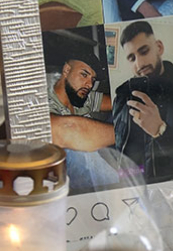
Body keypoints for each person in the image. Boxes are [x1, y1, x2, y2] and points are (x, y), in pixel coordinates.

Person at [111, 21, 173, 181]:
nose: (140, 63)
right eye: (132, 58)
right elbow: (117, 153)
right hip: (134, 193)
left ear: (159, 47)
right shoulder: (123, 96)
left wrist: (160, 130)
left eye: (144, 51)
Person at [47, 49, 120, 191]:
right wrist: (126, 132)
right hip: (65, 177)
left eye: (92, 79)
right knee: (74, 152)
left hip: (100, 160)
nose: (89, 84)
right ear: (67, 70)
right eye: (84, 74)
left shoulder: (80, 96)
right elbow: (67, 130)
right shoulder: (45, 100)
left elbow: (117, 103)